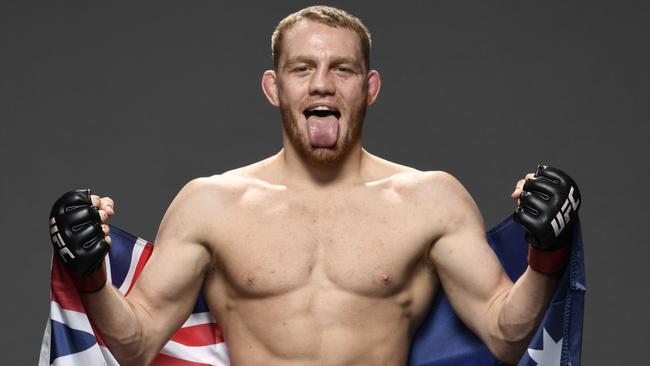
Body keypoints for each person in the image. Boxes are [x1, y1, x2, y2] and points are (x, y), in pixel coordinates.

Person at [48, 6, 581, 366]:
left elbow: (505, 333)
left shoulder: (429, 200)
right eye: (302, 68)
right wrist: (90, 276)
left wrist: (547, 255)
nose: (322, 82)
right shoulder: (210, 204)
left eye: (342, 69)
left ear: (368, 88)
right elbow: (135, 343)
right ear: (274, 88)